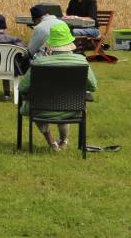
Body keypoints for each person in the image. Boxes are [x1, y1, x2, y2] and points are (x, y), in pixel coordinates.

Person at [18, 21, 97, 150]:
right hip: (73, 110)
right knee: (68, 102)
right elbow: (93, 86)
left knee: (34, 103)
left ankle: (51, 142)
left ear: (51, 43)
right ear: (69, 42)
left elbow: (22, 87)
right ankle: (64, 141)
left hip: (41, 110)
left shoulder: (39, 62)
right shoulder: (81, 62)